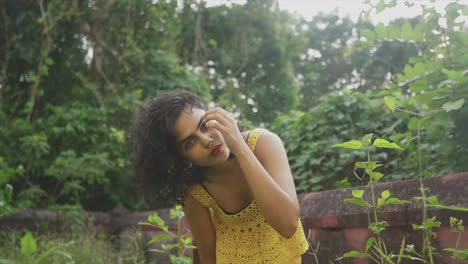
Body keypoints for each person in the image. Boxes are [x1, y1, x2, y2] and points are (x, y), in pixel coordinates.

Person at [131, 91, 309, 263]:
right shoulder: (195, 189)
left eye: (204, 125)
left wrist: (239, 147)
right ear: (181, 157)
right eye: (190, 142)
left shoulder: (264, 144)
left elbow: (287, 225)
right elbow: (208, 258)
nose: (206, 140)